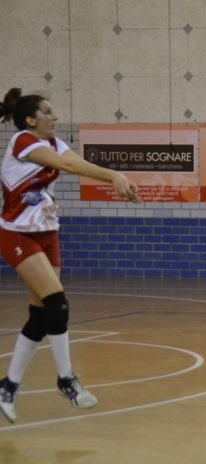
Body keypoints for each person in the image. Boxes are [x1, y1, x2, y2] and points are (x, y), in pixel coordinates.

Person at [0, 88, 140, 423]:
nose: (55, 117)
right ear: (30, 119)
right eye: (47, 111)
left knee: (40, 316)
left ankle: (8, 386)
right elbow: (65, 165)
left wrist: (119, 182)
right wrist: (113, 175)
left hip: (48, 233)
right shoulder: (21, 141)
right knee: (57, 304)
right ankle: (66, 379)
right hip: (18, 233)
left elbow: (79, 163)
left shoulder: (54, 143)